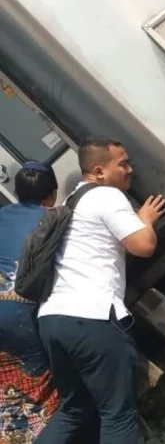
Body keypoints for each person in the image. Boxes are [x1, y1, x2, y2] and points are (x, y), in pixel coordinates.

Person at [37, 136, 165, 444]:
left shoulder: (71, 203)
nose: (130, 170)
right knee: (118, 415)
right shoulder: (106, 196)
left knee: (75, 409)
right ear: (98, 172)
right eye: (122, 164)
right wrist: (145, 220)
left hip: (53, 321)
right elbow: (143, 245)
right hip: (91, 319)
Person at [0, 162, 61, 443]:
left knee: (8, 385)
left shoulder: (3, 215)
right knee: (44, 381)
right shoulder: (54, 219)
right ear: (52, 194)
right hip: (21, 316)